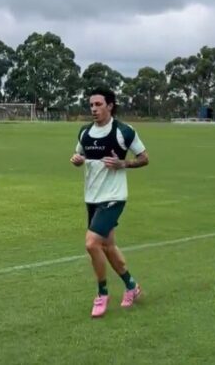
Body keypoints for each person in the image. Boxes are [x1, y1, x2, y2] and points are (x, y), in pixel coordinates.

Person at [70, 87, 149, 318]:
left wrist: (123, 164)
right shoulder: (85, 133)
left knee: (91, 243)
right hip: (92, 198)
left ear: (110, 105)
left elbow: (144, 158)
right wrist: (76, 160)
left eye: (98, 104)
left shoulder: (124, 131)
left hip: (114, 197)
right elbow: (80, 156)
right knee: (107, 246)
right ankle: (132, 286)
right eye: (91, 105)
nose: (94, 109)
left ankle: (102, 294)